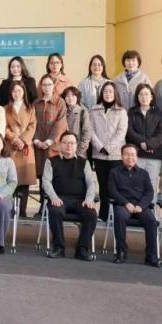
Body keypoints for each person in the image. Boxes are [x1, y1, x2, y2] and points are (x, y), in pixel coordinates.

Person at [42, 132, 99, 261]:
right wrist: (53, 197)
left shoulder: (84, 162)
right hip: (59, 199)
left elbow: (91, 183)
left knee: (91, 214)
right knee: (55, 212)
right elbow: (46, 182)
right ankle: (59, 248)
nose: (69, 146)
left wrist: (89, 199)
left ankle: (82, 249)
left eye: (72, 143)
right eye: (65, 143)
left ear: (76, 145)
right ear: (60, 144)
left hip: (80, 200)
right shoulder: (51, 161)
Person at [108, 145, 160, 266]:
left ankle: (151, 256)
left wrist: (141, 206)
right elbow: (112, 191)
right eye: (127, 154)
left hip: (140, 206)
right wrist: (126, 203)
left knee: (151, 220)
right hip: (123, 204)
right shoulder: (114, 172)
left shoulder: (143, 173)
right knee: (120, 217)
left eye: (132, 155)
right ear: (122, 156)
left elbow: (149, 192)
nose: (130, 157)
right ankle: (121, 252)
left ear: (136, 157)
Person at [91, 82, 128, 221]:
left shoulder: (121, 111)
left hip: (115, 155)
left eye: (110, 91)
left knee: (115, 186)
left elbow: (121, 132)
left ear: (115, 94)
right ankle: (103, 214)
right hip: (99, 155)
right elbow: (90, 130)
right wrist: (100, 147)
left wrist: (109, 148)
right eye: (105, 91)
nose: (108, 94)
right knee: (103, 186)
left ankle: (116, 215)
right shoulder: (94, 110)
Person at [126, 84, 162, 198]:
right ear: (137, 97)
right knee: (135, 184)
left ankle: (151, 208)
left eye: (146, 94)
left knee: (151, 185)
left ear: (151, 97)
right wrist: (142, 143)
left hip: (154, 155)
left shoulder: (159, 113)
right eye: (141, 94)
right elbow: (129, 131)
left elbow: (161, 134)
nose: (144, 97)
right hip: (136, 155)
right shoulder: (131, 112)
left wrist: (149, 145)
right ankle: (136, 207)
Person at [33, 75, 68, 205]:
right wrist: (36, 140)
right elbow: (32, 122)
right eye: (44, 84)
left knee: (52, 176)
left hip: (53, 145)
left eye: (49, 84)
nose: (47, 87)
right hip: (38, 145)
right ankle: (42, 207)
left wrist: (49, 141)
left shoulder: (60, 102)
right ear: (41, 86)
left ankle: (53, 206)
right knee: (42, 176)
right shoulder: (36, 102)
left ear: (54, 86)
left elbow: (61, 123)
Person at [4, 81, 37, 218]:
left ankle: (22, 210)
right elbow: (4, 126)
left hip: (25, 147)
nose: (16, 93)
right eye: (14, 91)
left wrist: (23, 140)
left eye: (19, 91)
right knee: (10, 179)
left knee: (24, 180)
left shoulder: (30, 108)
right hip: (11, 146)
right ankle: (10, 209)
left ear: (24, 92)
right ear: (10, 93)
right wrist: (14, 138)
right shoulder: (6, 108)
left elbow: (32, 126)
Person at [62, 87, 93, 158]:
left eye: (73, 95)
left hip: (78, 152)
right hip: (63, 152)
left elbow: (87, 133)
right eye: (67, 96)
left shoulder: (83, 112)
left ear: (77, 97)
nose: (70, 98)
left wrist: (79, 151)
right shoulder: (62, 112)